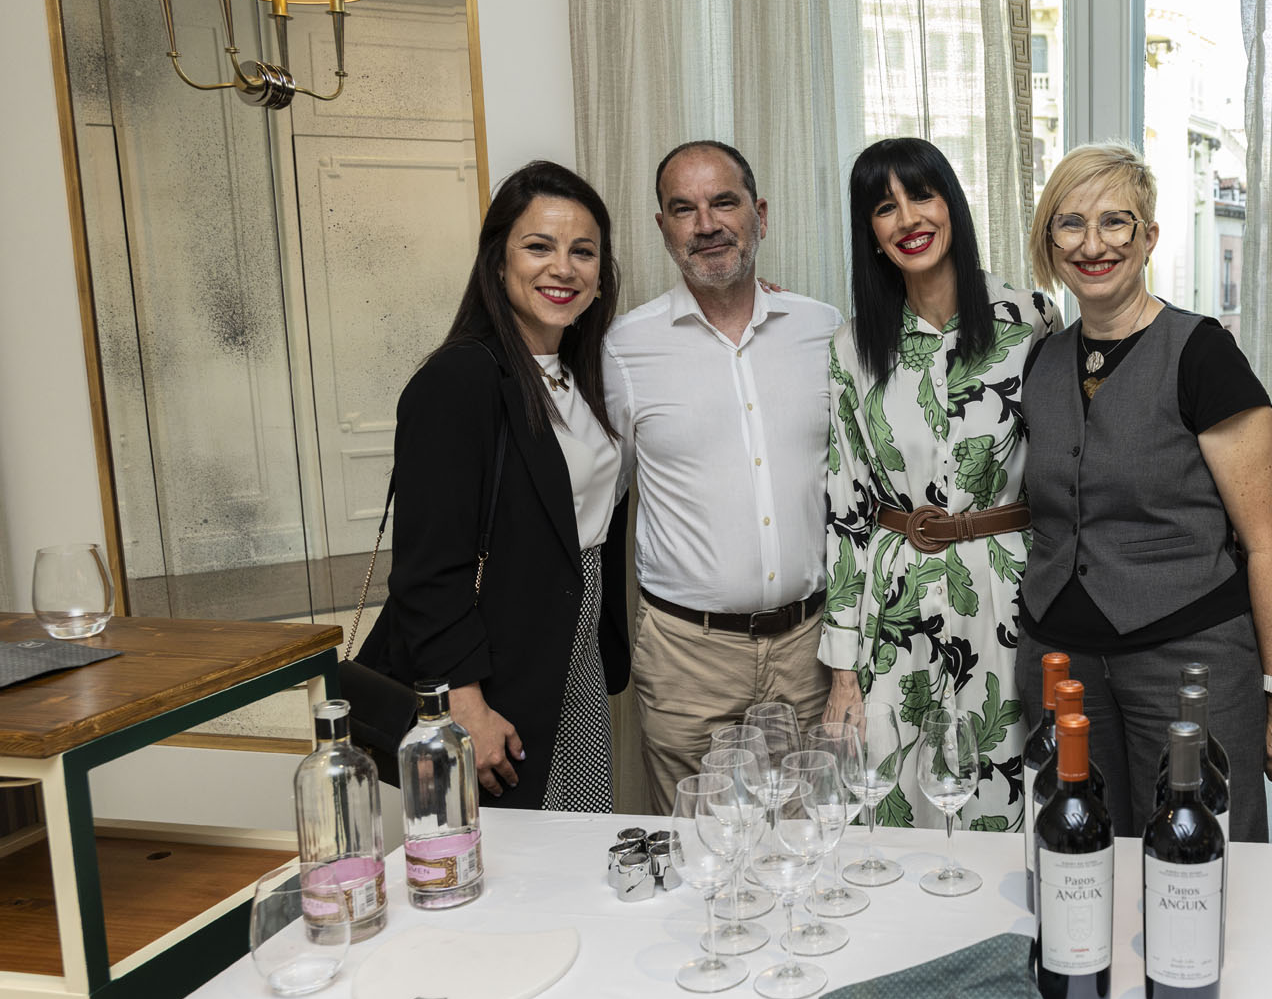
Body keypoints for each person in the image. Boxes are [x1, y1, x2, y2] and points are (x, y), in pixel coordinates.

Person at [1012, 143, 1272, 841]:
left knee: (1203, 855)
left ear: (1148, 236)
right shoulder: (1041, 360)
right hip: (1063, 670)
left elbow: (1268, 542)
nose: (1093, 245)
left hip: (1190, 668)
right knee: (1080, 861)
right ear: (1050, 242)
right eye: (1070, 224)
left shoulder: (1203, 353)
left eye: (1115, 222)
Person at [357, 160, 628, 809]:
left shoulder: (583, 374)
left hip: (573, 655)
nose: (563, 268)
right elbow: (428, 570)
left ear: (600, 274)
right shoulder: (459, 381)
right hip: (493, 668)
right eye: (538, 246)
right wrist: (465, 703)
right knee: (508, 849)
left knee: (573, 834)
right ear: (497, 262)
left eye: (583, 251)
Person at [821, 138, 1060, 828]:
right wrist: (842, 672)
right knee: (896, 799)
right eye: (884, 207)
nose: (907, 219)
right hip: (894, 606)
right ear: (870, 232)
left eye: (921, 196)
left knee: (1005, 792)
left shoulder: (1031, 319)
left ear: (951, 203)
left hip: (1009, 596)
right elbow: (846, 510)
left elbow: (1065, 470)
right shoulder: (851, 347)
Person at [605, 141, 842, 813]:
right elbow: (596, 498)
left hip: (810, 650)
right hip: (687, 659)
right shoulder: (622, 349)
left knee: (810, 839)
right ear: (663, 227)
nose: (706, 224)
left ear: (759, 215)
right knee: (702, 849)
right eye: (684, 209)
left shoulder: (824, 331)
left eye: (724, 202)